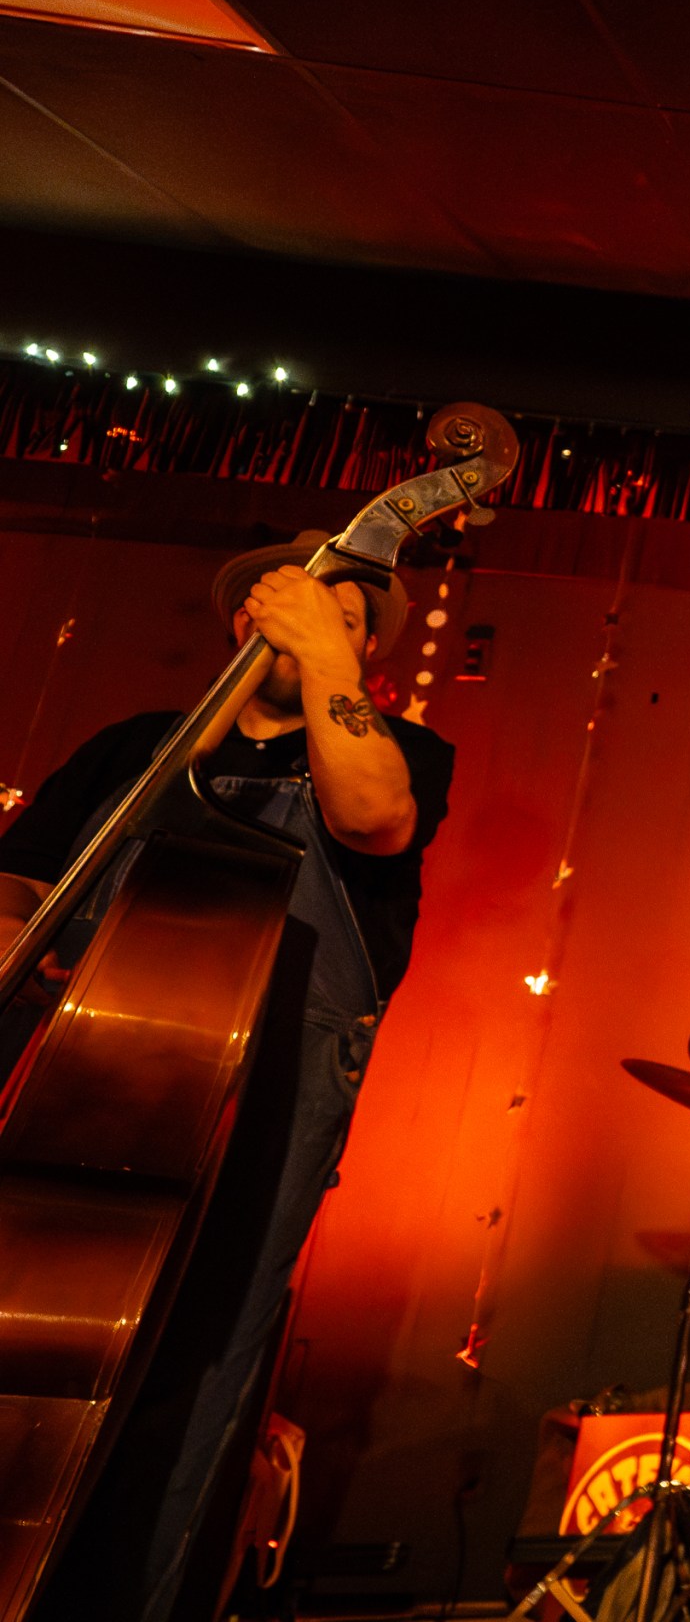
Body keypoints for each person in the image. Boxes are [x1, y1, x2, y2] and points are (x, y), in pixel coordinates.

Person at [0, 532, 455, 1622]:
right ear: (247, 617)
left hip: (267, 1091)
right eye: (304, 604)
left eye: (351, 619)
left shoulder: (392, 753)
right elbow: (17, 890)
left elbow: (372, 820)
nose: (325, 624)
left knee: (193, 1373)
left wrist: (332, 668)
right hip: (80, 1086)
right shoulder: (135, 750)